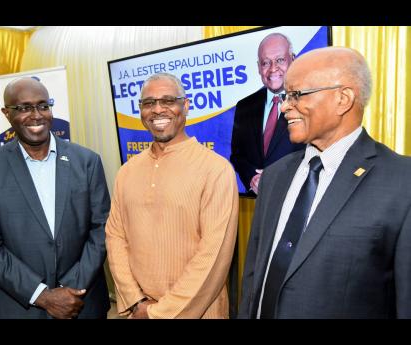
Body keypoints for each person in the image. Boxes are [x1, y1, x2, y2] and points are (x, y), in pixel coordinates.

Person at [238, 46, 411, 319]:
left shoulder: (403, 182)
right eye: (285, 95)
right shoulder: (274, 175)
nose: (284, 106)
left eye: (296, 95)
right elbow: (253, 275)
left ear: (343, 99)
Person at [0, 77, 111, 319]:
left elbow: (102, 229)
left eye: (43, 105)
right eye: (23, 108)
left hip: (82, 303)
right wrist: (42, 295)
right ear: (6, 113)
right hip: (20, 307)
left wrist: (70, 290)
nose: (36, 115)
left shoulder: (87, 161)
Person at [105, 73, 239, 319]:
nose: (158, 110)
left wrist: (159, 313)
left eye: (168, 101)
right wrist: (136, 301)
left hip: (199, 312)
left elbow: (212, 258)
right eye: (149, 103)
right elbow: (115, 238)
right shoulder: (126, 172)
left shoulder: (216, 170)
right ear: (141, 111)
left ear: (185, 106)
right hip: (139, 311)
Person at [230, 33, 305, 196]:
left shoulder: (309, 101)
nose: (272, 69)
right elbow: (237, 155)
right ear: (258, 67)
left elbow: (317, 152)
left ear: (293, 59)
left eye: (279, 60)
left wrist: (277, 179)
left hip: (299, 202)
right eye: (265, 62)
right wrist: (252, 178)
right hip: (260, 207)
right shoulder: (244, 107)